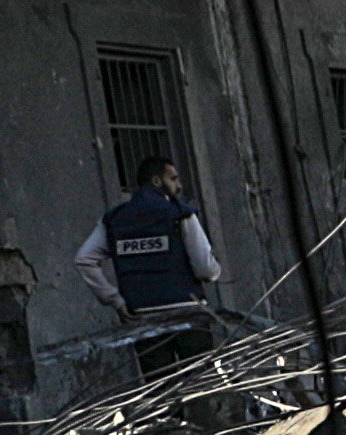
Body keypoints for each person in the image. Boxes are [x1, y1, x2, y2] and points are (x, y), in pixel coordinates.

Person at [73, 152, 234, 376]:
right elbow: (205, 268)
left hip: (142, 316)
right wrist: (214, 274)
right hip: (186, 311)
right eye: (173, 178)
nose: (179, 185)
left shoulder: (115, 219)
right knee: (201, 385)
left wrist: (116, 300)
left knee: (160, 390)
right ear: (157, 181)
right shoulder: (180, 213)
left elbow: (84, 259)